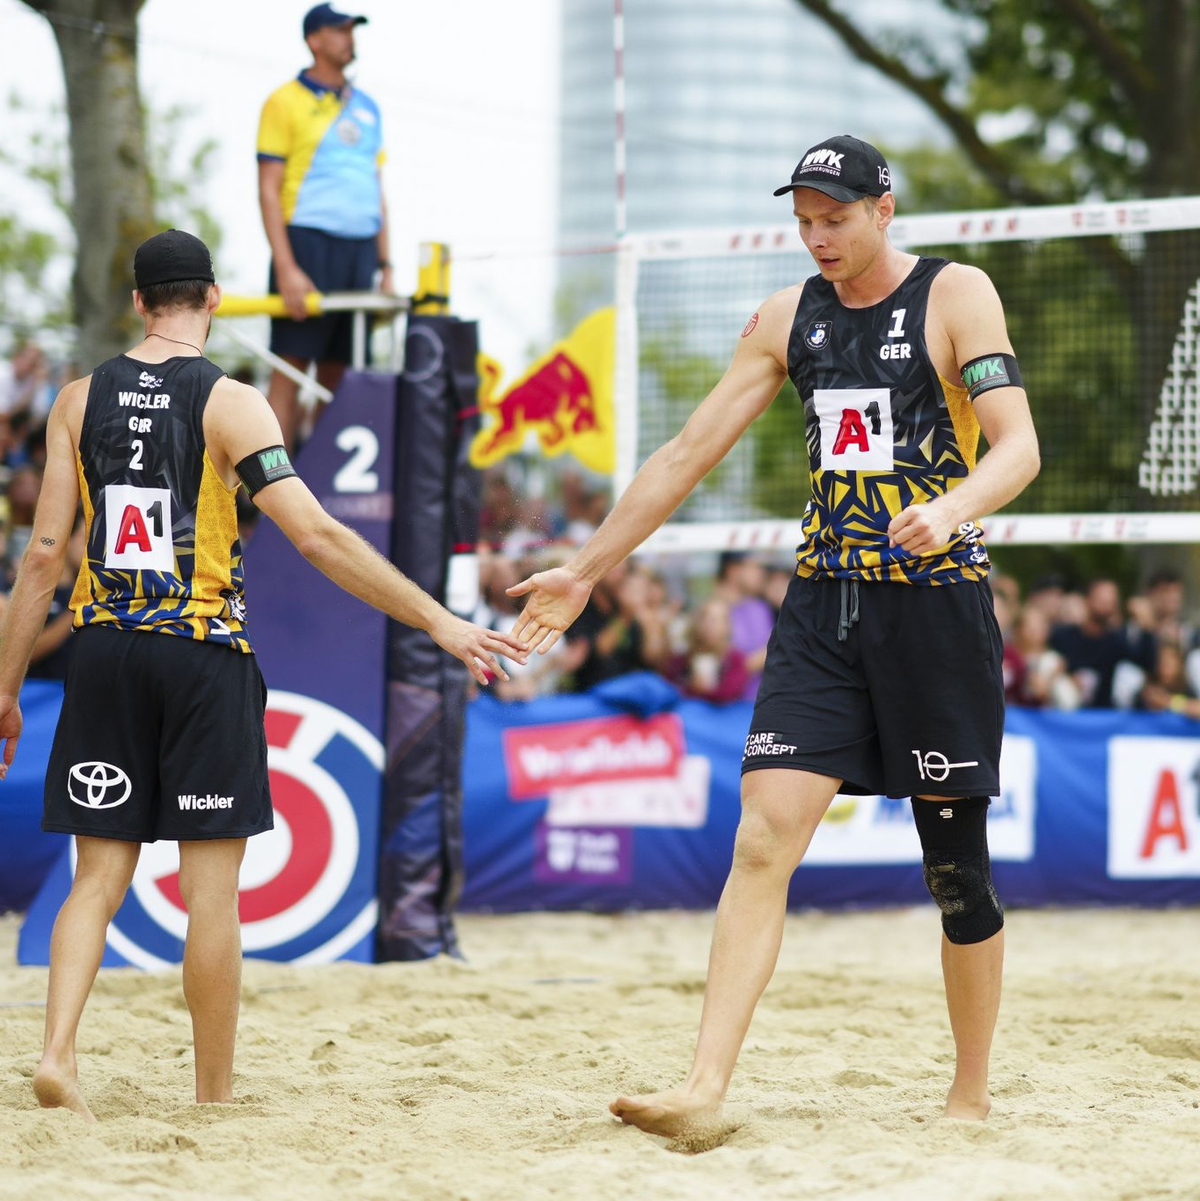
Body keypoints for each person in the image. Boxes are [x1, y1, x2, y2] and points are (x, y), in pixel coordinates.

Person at [508, 135, 1040, 1133]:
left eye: (834, 217)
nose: (817, 237)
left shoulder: (957, 293)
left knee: (956, 866)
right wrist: (586, 570)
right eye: (803, 220)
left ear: (883, 209)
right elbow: (685, 452)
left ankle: (969, 1095)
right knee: (762, 836)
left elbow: (1019, 447)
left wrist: (954, 506)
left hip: (934, 606)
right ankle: (703, 1089)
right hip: (825, 605)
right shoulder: (787, 317)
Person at [0, 229, 525, 1123]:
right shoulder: (233, 402)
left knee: (97, 878)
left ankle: (56, 1054)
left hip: (106, 653)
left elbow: (45, 555)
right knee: (213, 894)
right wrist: (437, 618)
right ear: (211, 299)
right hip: (203, 657)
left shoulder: (76, 399)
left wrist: (8, 689)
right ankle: (212, 1095)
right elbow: (317, 536)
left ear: (137, 303)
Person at [257, 4, 392, 451]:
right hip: (307, 241)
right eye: (339, 29)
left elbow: (376, 188)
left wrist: (386, 263)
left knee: (340, 371)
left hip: (359, 250)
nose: (348, 37)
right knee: (291, 367)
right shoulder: (284, 100)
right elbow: (268, 188)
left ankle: (316, 484)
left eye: (352, 29)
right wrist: (287, 265)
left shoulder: (368, 106)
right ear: (314, 39)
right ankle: (263, 496)